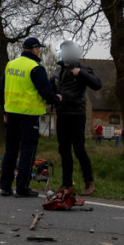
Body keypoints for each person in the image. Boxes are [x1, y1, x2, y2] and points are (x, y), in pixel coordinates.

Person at [0, 37, 60, 197]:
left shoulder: (11, 65)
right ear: (33, 49)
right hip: (29, 115)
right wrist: (56, 98)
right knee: (27, 152)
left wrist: (4, 112)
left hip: (11, 113)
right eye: (38, 48)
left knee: (10, 151)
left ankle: (5, 187)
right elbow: (45, 91)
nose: (39, 51)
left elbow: (1, 90)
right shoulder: (36, 67)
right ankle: (22, 188)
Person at [51, 40, 102, 196]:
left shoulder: (82, 68)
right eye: (63, 51)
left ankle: (89, 183)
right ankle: (67, 184)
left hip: (77, 114)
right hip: (62, 114)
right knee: (64, 150)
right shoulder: (57, 71)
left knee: (79, 149)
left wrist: (80, 73)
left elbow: (97, 85)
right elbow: (49, 89)